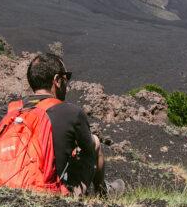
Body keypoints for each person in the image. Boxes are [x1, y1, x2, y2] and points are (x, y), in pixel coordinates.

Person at [22, 53, 121, 196]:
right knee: (95, 142)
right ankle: (102, 192)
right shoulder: (70, 112)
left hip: (11, 183)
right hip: (48, 190)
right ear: (57, 80)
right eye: (66, 77)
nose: (67, 82)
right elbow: (88, 148)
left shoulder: (15, 110)